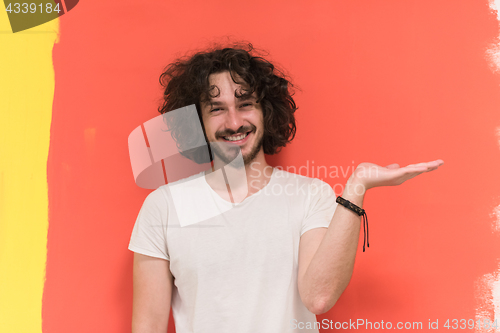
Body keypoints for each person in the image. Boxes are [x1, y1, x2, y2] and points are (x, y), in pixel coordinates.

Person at [128, 43, 443, 333]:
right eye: (217, 109)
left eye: (246, 103)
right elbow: (148, 327)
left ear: (266, 111)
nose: (235, 122)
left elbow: (318, 298)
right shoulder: (164, 206)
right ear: (197, 121)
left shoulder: (310, 196)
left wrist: (357, 185)